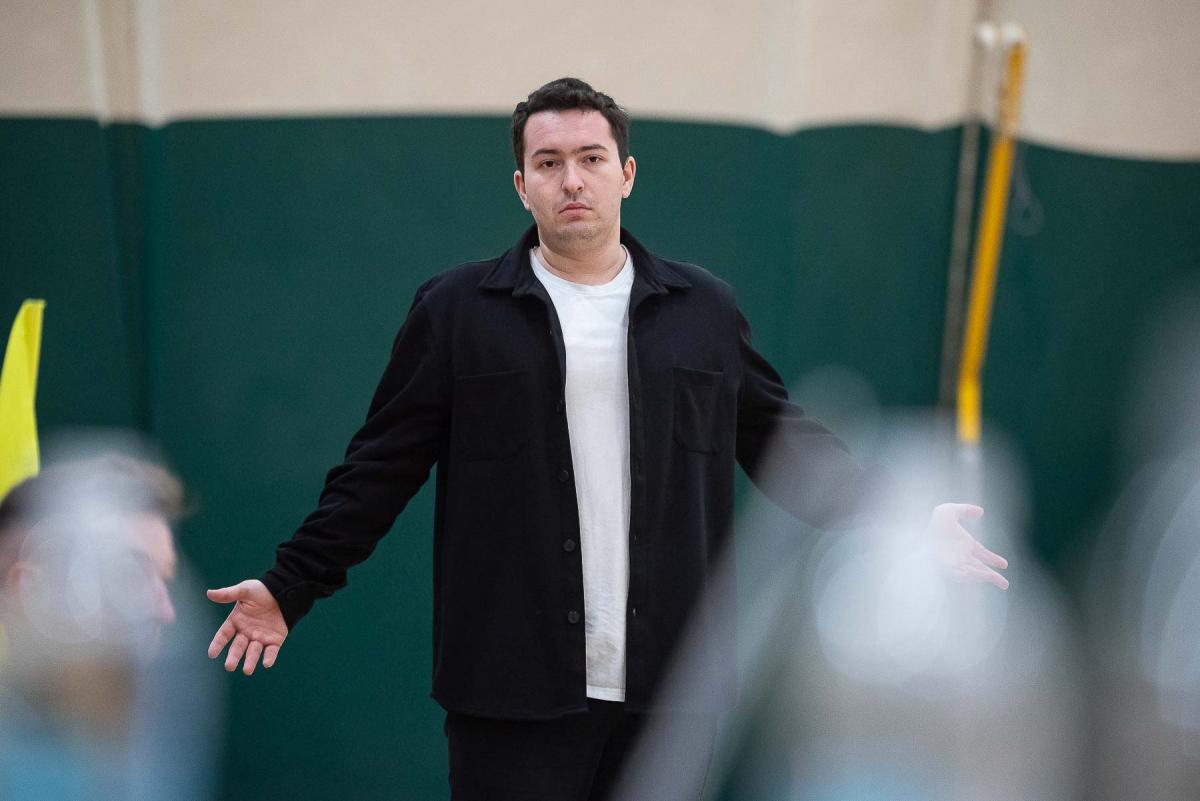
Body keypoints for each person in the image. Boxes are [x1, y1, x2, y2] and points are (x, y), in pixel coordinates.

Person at [206, 77, 1009, 800]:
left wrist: (898, 520)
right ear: (521, 185)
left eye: (591, 158)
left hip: (669, 696)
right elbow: (378, 469)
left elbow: (782, 440)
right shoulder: (456, 313)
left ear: (626, 174)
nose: (572, 179)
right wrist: (290, 584)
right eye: (548, 163)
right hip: (510, 691)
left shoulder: (702, 311)